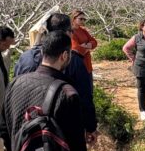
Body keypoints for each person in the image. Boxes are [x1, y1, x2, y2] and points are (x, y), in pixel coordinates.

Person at [16, 12, 98, 143]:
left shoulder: (25, 57)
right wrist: (90, 127)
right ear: (68, 33)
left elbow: (17, 94)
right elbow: (84, 98)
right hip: (60, 133)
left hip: (27, 130)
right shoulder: (73, 61)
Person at [69, 10, 98, 76]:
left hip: (88, 65)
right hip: (77, 65)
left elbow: (95, 42)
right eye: (81, 19)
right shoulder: (70, 32)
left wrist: (86, 46)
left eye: (84, 19)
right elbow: (76, 48)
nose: (83, 21)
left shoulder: (83, 30)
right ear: (74, 18)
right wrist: (88, 47)